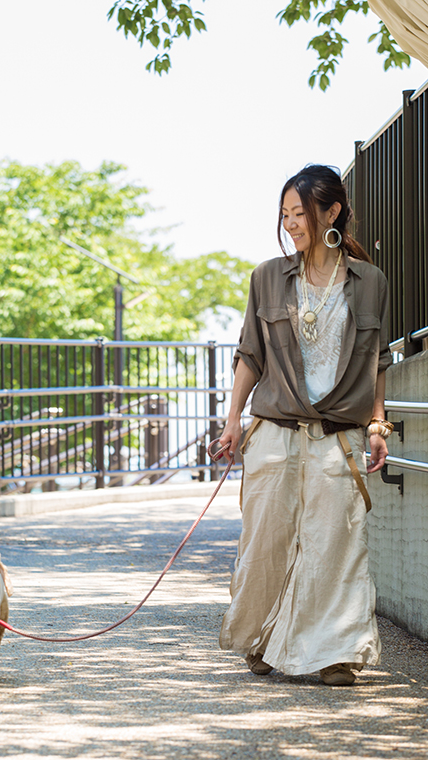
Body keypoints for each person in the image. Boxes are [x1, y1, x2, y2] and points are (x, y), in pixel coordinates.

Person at [218, 164, 393, 686]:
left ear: (331, 211)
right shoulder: (268, 276)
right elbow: (250, 354)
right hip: (273, 429)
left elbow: (376, 360)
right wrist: (232, 420)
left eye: (301, 213)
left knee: (336, 542)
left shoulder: (370, 283)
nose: (291, 223)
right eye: (286, 214)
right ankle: (263, 639)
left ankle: (335, 652)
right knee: (266, 544)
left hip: (339, 435)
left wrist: (378, 425)